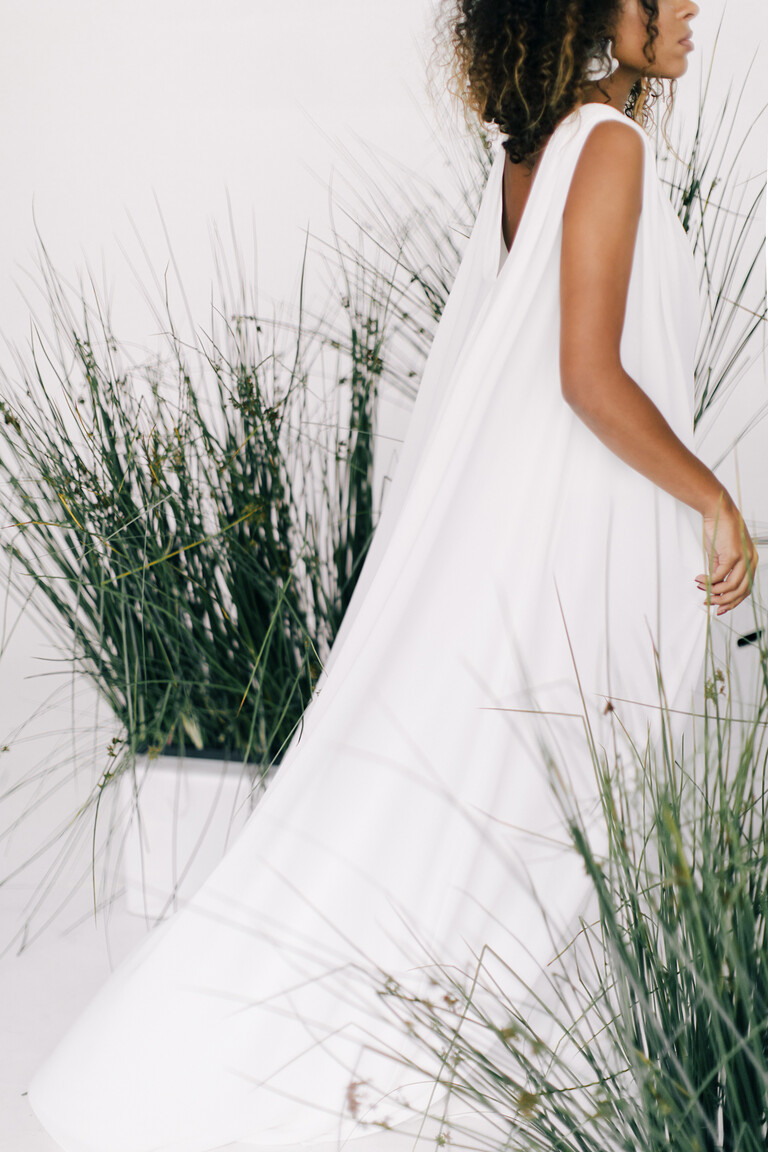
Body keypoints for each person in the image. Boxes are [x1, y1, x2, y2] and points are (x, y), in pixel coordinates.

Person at [27, 2, 759, 1151]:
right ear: (590, 10)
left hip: (531, 517)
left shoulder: (533, 148)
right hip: (569, 528)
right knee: (547, 805)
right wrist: (715, 496)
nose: (687, 8)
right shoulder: (606, 146)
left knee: (495, 804)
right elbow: (586, 375)